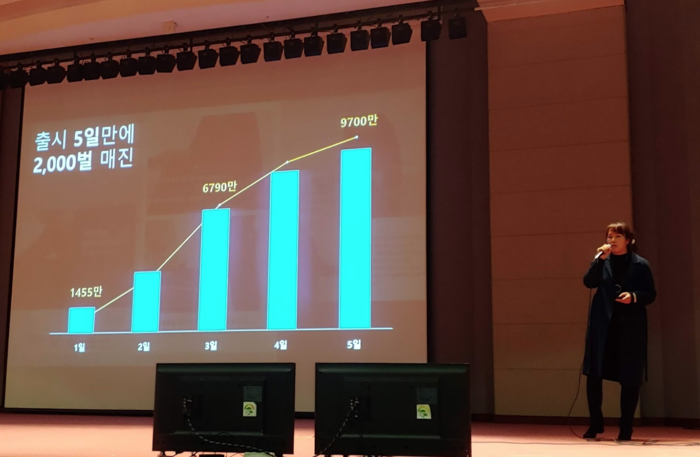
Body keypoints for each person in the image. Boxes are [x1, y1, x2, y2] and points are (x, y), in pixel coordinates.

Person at [582, 222, 656, 442]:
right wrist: (599, 261)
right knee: (594, 374)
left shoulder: (640, 264)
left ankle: (626, 428)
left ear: (628, 240)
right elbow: (589, 282)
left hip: (630, 327)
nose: (612, 241)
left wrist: (633, 297)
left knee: (629, 378)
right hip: (603, 326)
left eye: (617, 236)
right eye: (609, 236)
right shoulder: (602, 261)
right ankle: (595, 424)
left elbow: (650, 293)